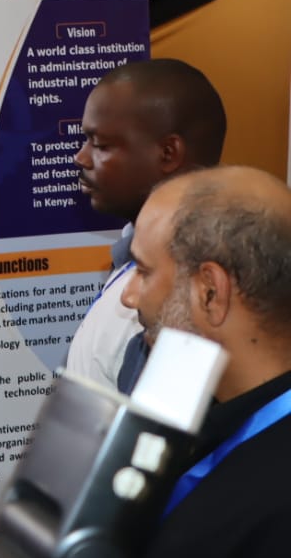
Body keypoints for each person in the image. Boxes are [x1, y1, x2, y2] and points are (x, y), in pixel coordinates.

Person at [115, 166, 291, 558]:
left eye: (143, 271)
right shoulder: (189, 410)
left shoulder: (277, 507)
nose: (128, 296)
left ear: (211, 292)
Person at [63, 59, 226, 393]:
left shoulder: (179, 297)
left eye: (101, 145)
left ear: (167, 154)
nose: (81, 157)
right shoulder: (137, 254)